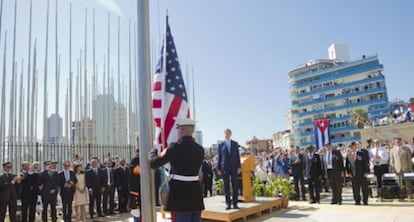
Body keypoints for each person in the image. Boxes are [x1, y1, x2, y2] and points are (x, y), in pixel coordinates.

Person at [150, 118, 205, 221]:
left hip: (179, 197)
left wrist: (153, 152)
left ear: (181, 131)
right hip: (196, 196)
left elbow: (154, 163)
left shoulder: (175, 147)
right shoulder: (200, 149)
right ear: (192, 131)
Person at [217, 128, 241, 210]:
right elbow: (220, 157)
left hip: (234, 167)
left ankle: (235, 204)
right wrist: (219, 168)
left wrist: (239, 167)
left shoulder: (235, 144)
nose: (227, 134)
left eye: (229, 133)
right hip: (225, 168)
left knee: (235, 185)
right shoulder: (221, 145)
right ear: (224, 134)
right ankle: (228, 204)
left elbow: (237, 156)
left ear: (231, 134)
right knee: (226, 186)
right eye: (226, 133)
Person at [129, 148, 141, 222]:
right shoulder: (135, 161)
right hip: (136, 190)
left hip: (139, 189)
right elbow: (135, 175)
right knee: (137, 211)